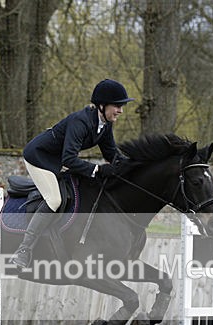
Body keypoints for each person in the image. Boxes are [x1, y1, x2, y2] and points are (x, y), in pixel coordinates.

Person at [10, 79, 135, 268]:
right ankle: (24, 250)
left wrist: (134, 166)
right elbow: (69, 159)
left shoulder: (104, 124)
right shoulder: (81, 122)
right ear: (102, 105)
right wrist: (98, 169)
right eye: (117, 106)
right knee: (54, 200)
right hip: (39, 158)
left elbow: (112, 154)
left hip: (56, 160)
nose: (121, 111)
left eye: (122, 106)